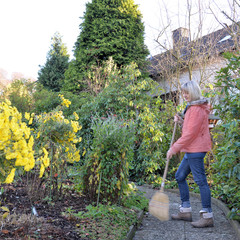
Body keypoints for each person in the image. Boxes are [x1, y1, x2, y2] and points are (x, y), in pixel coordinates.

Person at [167, 80, 214, 228]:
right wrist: (181, 121)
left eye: (187, 93)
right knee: (180, 176)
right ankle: (185, 211)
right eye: (183, 93)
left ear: (193, 92)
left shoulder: (196, 109)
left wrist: (173, 149)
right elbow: (191, 127)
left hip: (195, 149)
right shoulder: (193, 107)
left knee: (200, 181)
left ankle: (207, 216)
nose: (185, 95)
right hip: (191, 149)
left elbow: (190, 135)